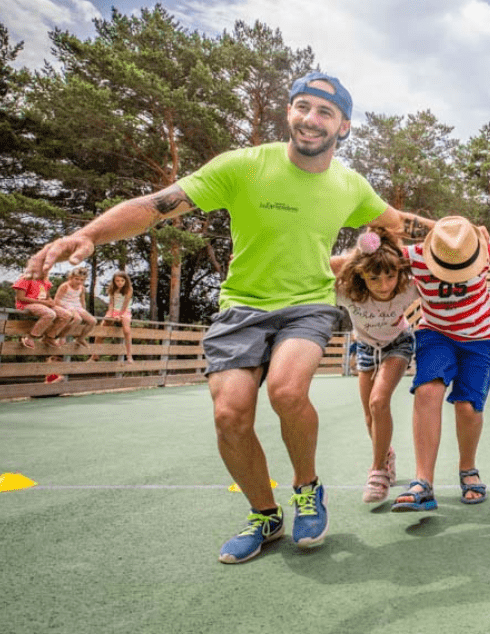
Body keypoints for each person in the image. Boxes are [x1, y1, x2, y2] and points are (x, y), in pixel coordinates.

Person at [24, 72, 434, 565]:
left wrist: (463, 235)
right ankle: (265, 515)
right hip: (241, 306)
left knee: (286, 390)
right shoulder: (243, 166)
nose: (310, 119)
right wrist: (90, 234)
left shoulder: (350, 184)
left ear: (343, 126)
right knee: (229, 415)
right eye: (302, 106)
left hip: (306, 304)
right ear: (289, 113)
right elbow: (156, 206)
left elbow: (397, 222)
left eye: (325, 112)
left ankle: (307, 489)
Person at [390, 215, 490, 512]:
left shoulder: (487, 249)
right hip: (437, 333)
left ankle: (468, 469)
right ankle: (423, 482)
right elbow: (372, 252)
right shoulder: (415, 255)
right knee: (427, 391)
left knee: (468, 407)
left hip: (480, 337)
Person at [331, 228, 419, 504]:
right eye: (374, 278)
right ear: (360, 275)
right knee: (370, 416)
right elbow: (312, 269)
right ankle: (387, 456)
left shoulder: (407, 289)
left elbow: (439, 269)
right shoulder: (346, 293)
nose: (384, 285)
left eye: (390, 276)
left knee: (379, 402)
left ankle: (377, 471)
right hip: (366, 348)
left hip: (398, 344)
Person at [12, 271, 73, 348]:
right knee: (50, 314)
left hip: (43, 304)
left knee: (67, 315)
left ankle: (50, 337)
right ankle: (30, 337)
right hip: (27, 304)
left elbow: (47, 296)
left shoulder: (45, 282)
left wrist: (51, 301)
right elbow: (20, 298)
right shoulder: (26, 279)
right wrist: (42, 302)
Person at [91, 271, 135, 363]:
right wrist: (111, 314)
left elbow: (125, 304)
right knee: (101, 329)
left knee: (127, 331)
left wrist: (120, 315)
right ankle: (95, 354)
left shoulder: (129, 289)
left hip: (125, 310)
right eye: (117, 281)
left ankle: (129, 356)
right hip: (114, 310)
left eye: (122, 281)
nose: (120, 283)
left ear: (126, 281)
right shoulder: (112, 289)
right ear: (114, 281)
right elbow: (111, 304)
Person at [54, 266, 98, 345]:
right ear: (71, 278)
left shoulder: (82, 288)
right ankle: (62, 336)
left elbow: (82, 300)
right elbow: (57, 300)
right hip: (65, 304)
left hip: (76, 305)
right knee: (77, 319)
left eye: (81, 280)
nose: (79, 281)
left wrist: (84, 311)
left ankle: (80, 338)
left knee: (93, 321)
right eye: (76, 279)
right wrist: (62, 310)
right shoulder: (65, 286)